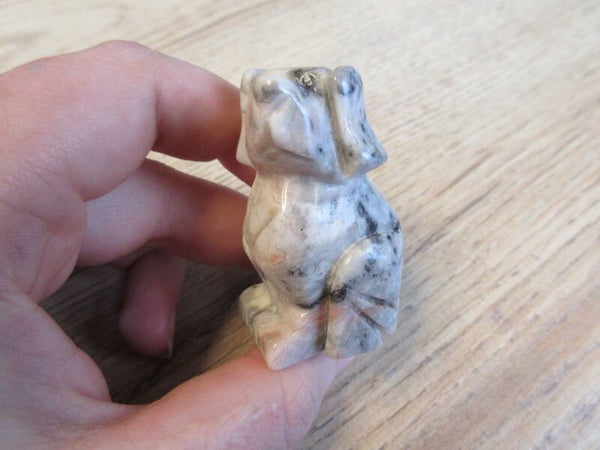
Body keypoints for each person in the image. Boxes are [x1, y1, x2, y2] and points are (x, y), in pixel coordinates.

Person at [0, 41, 350, 448]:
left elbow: (317, 251)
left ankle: (304, 317)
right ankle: (291, 308)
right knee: (273, 245)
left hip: (327, 277)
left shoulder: (327, 194)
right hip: (290, 258)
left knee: (301, 254)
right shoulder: (277, 181)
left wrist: (325, 317)